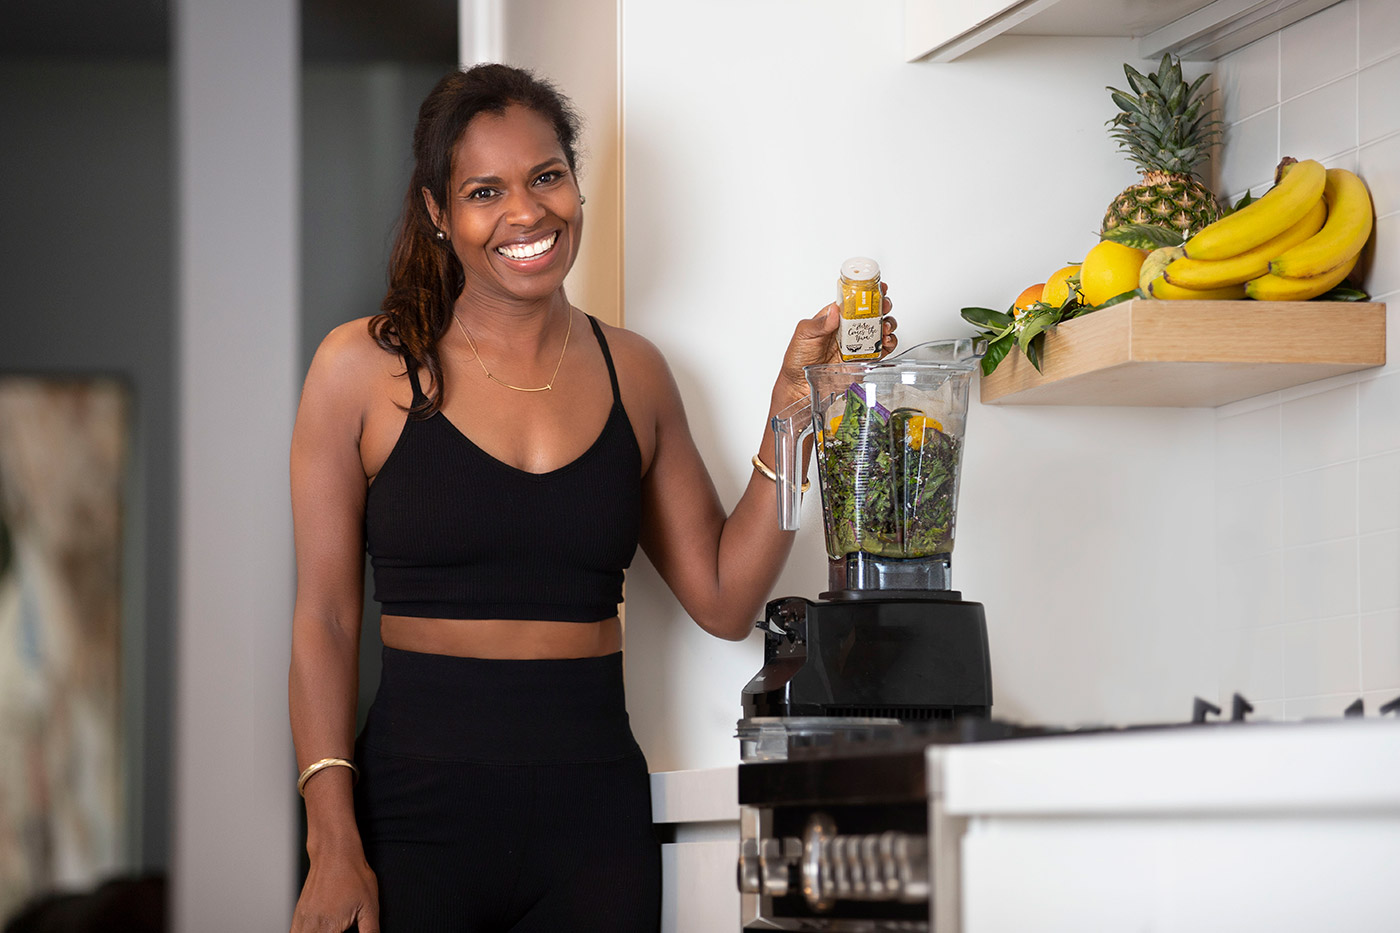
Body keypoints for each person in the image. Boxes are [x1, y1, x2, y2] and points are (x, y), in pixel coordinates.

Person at [287, 63, 896, 933]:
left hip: (595, 819)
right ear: (436, 213)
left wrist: (794, 409)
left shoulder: (635, 372)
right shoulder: (362, 369)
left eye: (546, 177)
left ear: (575, 182)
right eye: (483, 191)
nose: (526, 213)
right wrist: (331, 840)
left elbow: (726, 599)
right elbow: (325, 622)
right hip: (414, 816)